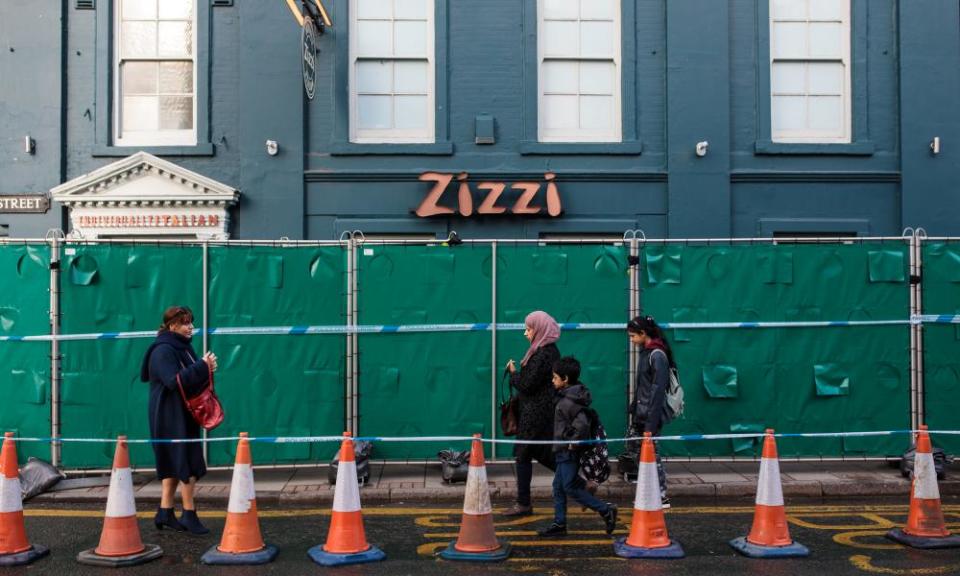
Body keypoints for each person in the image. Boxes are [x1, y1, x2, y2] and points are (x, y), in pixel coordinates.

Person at [140, 306, 218, 534]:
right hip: (168, 415)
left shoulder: (183, 348)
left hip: (181, 412)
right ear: (173, 325)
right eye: (186, 323)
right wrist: (202, 366)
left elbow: (190, 378)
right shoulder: (162, 350)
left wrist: (207, 369)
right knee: (186, 462)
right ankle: (188, 514)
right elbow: (174, 381)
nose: (191, 327)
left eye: (191, 322)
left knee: (176, 463)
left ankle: (165, 512)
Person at [537, 356, 618, 537]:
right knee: (558, 486)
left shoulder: (570, 400)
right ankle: (559, 524)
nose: (552, 380)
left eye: (555, 377)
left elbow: (582, 424)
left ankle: (605, 510)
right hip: (562, 449)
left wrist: (570, 439)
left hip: (568, 451)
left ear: (565, 379)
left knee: (569, 486)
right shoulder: (567, 396)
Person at [502, 310, 560, 516]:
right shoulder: (545, 351)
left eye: (529, 329)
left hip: (535, 413)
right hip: (537, 411)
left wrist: (513, 374)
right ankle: (578, 481)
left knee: (525, 453)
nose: (526, 333)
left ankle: (524, 503)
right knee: (534, 452)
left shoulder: (543, 354)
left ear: (540, 330)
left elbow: (527, 385)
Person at [627, 315, 675, 509]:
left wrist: (650, 423)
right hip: (642, 412)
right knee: (643, 455)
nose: (631, 340)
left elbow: (657, 392)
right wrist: (634, 406)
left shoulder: (657, 355)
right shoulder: (646, 352)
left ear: (643, 333)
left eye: (632, 336)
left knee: (652, 456)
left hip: (650, 416)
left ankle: (661, 495)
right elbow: (644, 386)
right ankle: (650, 493)